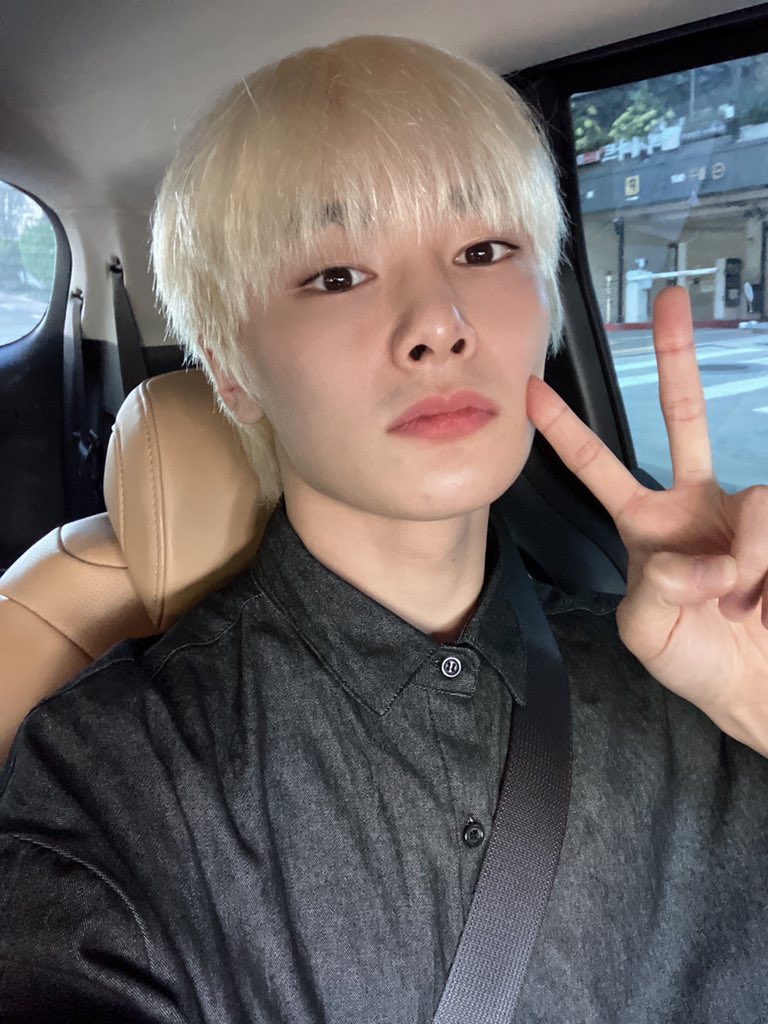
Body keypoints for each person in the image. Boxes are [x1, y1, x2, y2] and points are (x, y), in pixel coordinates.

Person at [1, 34, 767, 1024]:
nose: (439, 321)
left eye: (484, 251)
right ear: (232, 370)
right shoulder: (114, 774)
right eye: (336, 274)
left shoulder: (698, 678)